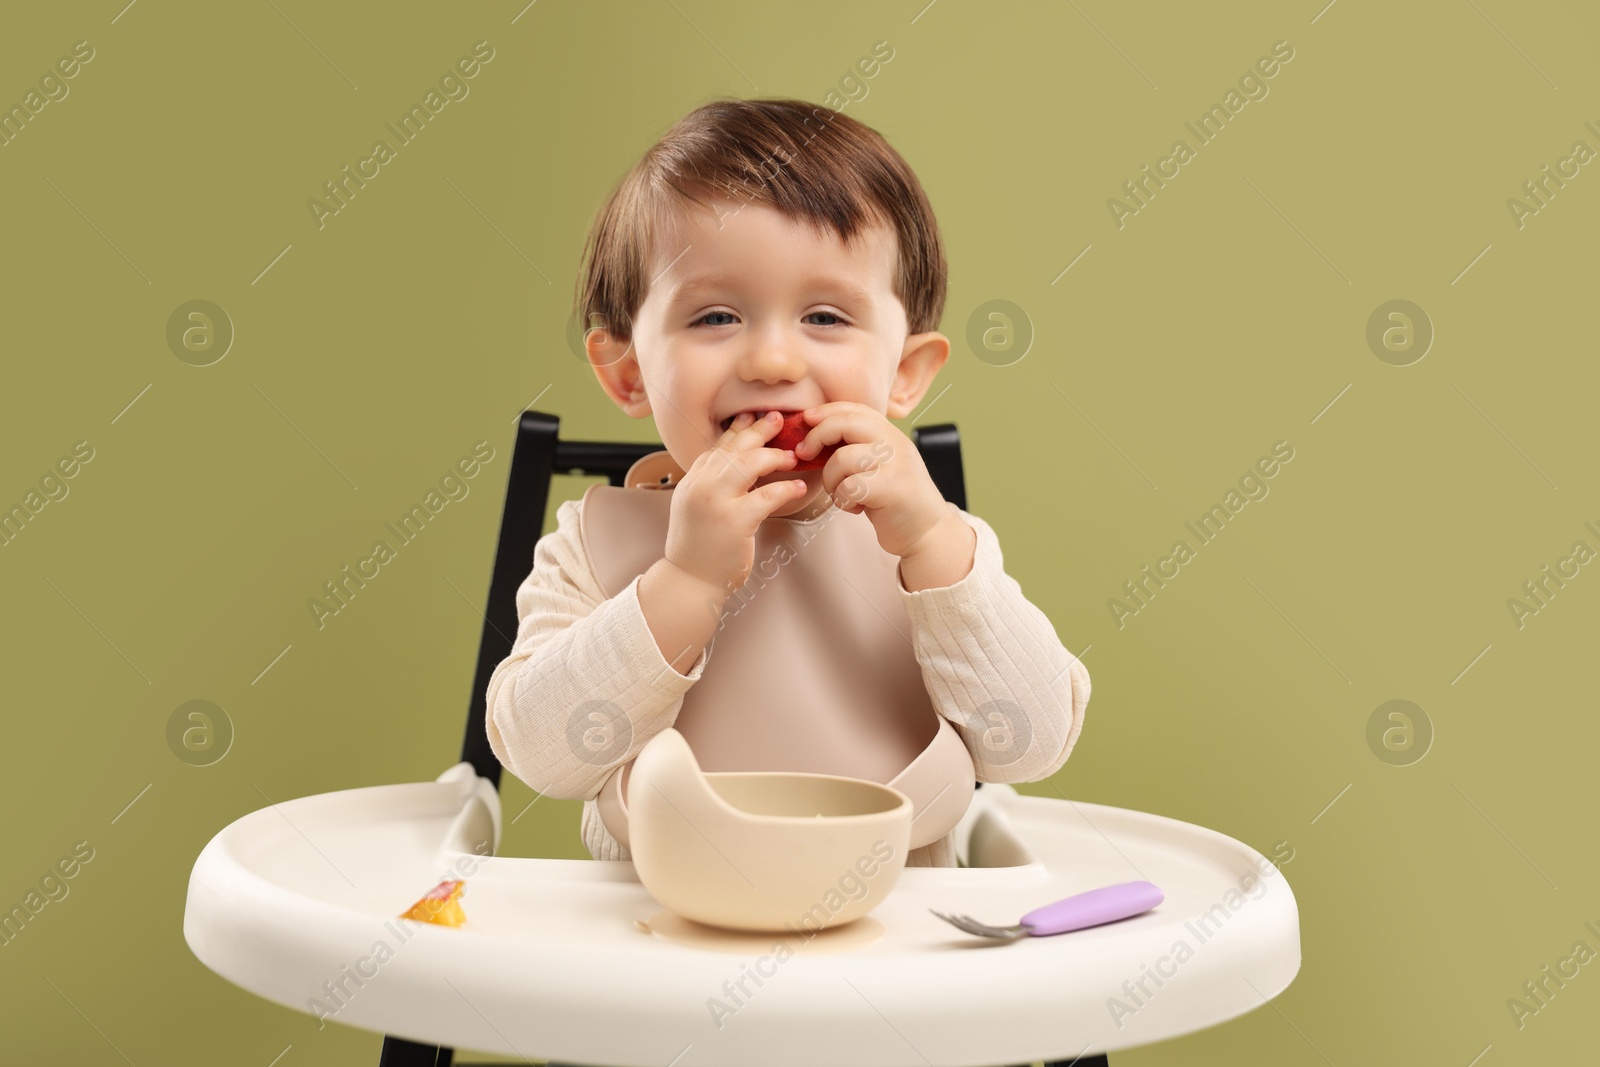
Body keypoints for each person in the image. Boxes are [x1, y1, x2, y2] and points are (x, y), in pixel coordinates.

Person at [485, 97, 1090, 869]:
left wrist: (934, 544)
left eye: (827, 316)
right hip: (655, 945)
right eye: (714, 317)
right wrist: (685, 581)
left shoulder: (937, 545)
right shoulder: (591, 545)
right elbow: (543, 754)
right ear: (629, 372)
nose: (773, 360)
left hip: (891, 943)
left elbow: (1028, 744)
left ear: (905, 373)